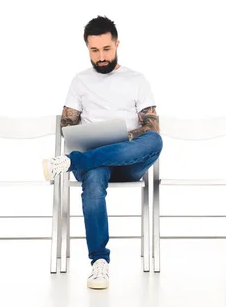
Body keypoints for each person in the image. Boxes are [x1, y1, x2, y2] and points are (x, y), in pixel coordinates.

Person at [42, 15, 163, 290]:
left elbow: (151, 125)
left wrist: (122, 137)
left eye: (106, 49)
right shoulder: (79, 81)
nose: (101, 56)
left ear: (117, 44)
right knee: (94, 178)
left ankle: (71, 162)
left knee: (155, 141)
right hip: (96, 163)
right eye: (94, 51)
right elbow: (67, 125)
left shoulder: (137, 79)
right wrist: (81, 135)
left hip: (128, 160)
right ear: (87, 48)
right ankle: (99, 264)